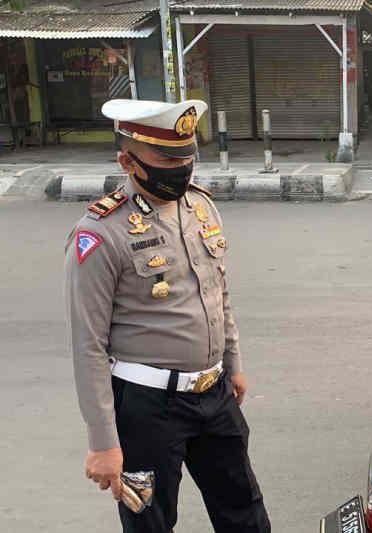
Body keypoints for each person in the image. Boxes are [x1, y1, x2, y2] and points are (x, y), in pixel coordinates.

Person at [65, 99, 270, 533]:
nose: (181, 168)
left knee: (245, 512)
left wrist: (233, 362)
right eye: (167, 159)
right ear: (128, 160)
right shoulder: (100, 234)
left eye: (187, 157)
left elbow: (218, 291)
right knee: (151, 524)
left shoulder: (200, 207)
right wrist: (103, 443)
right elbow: (88, 346)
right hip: (147, 408)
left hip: (215, 395)